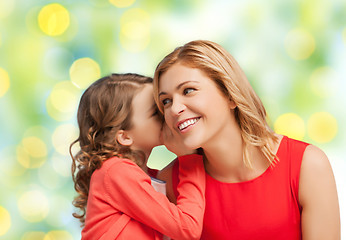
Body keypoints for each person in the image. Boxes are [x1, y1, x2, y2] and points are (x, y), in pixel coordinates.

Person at [153, 40, 340, 240]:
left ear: (230, 95)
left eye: (188, 90)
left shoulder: (307, 166)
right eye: (166, 101)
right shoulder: (169, 182)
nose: (174, 109)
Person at [70, 73, 206, 240]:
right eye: (156, 113)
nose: (169, 114)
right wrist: (189, 158)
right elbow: (187, 229)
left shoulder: (148, 176)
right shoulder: (116, 171)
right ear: (125, 137)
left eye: (164, 104)